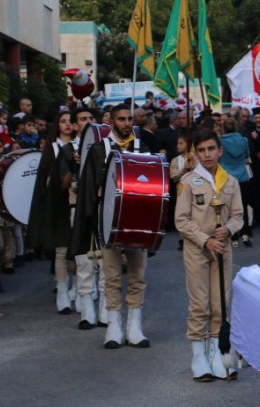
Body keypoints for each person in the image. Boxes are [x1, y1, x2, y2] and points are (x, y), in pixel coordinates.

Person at [71, 103, 150, 348]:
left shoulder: (142, 148)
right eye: (121, 119)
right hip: (108, 220)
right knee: (112, 275)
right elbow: (88, 190)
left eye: (129, 119)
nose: (127, 123)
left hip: (136, 221)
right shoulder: (97, 150)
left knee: (138, 274)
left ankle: (134, 325)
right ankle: (114, 325)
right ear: (112, 122)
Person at [174, 129, 244, 381]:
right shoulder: (189, 182)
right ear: (195, 153)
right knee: (199, 303)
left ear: (220, 151)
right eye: (201, 150)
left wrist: (229, 229)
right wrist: (206, 240)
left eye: (211, 149)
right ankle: (198, 356)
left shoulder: (231, 181)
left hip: (222, 249)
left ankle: (219, 353)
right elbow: (180, 221)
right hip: (198, 249)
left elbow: (238, 216)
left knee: (221, 303)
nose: (207, 155)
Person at [27, 110, 77, 315]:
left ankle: (77, 285)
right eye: (63, 121)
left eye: (70, 121)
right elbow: (47, 179)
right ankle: (62, 290)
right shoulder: (52, 149)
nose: (67, 125)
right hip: (58, 201)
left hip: (77, 200)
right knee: (62, 249)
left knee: (78, 250)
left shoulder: (80, 145)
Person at [219, 118, 253, 248]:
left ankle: (233, 237)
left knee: (228, 207)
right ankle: (245, 233)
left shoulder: (220, 141)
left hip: (226, 177)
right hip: (243, 177)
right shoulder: (243, 140)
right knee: (242, 206)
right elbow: (246, 156)